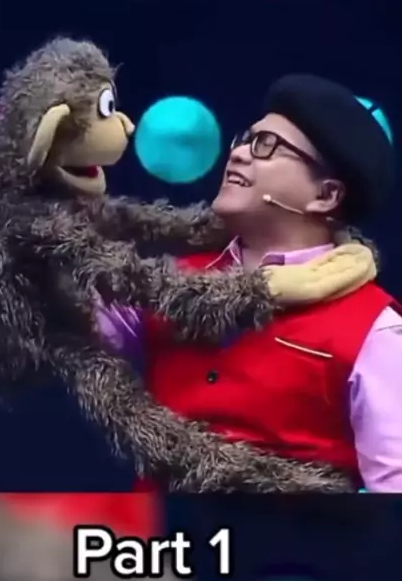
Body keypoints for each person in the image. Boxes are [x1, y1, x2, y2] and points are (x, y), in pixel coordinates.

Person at [98, 74, 402, 492]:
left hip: (287, 532)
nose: (239, 154)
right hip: (160, 533)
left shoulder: (374, 329)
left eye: (266, 146)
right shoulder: (172, 281)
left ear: (326, 196)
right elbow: (62, 325)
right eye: (245, 139)